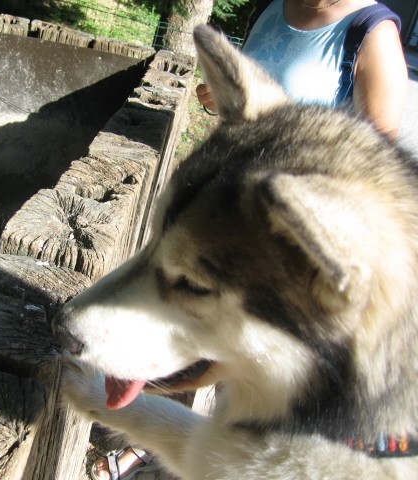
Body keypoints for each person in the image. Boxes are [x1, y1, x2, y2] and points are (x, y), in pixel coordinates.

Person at [91, 2, 407, 478]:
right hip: (245, 233)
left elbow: (369, 160)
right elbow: (233, 460)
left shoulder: (373, 32)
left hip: (296, 247)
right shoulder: (274, 9)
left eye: (192, 284)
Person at [197, 0, 407, 139]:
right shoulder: (270, 5)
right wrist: (223, 100)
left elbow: (376, 160)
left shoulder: (376, 33)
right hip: (233, 183)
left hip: (293, 199)